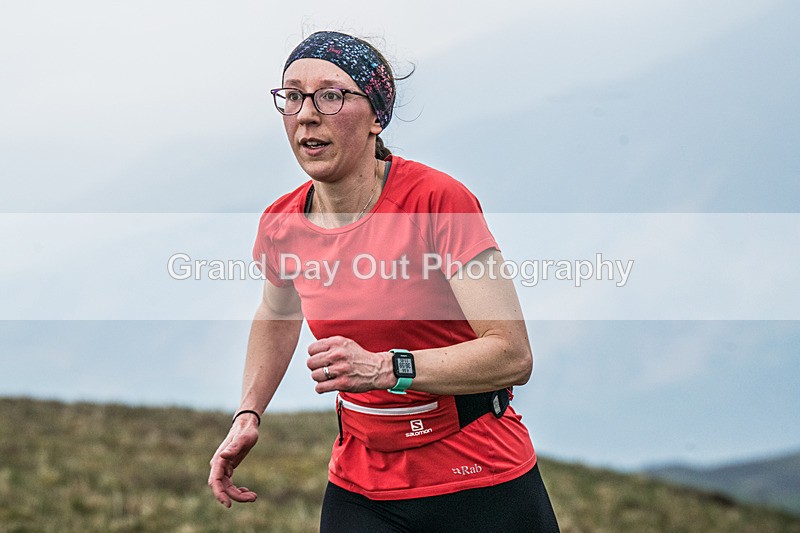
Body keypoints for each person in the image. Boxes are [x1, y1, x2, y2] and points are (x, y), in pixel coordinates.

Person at [208, 31, 559, 532]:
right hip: (362, 488)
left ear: (376, 117)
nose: (307, 113)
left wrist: (383, 368)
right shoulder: (281, 223)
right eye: (292, 95)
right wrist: (248, 414)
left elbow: (511, 354)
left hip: (478, 479)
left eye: (331, 95)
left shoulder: (437, 200)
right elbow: (278, 312)